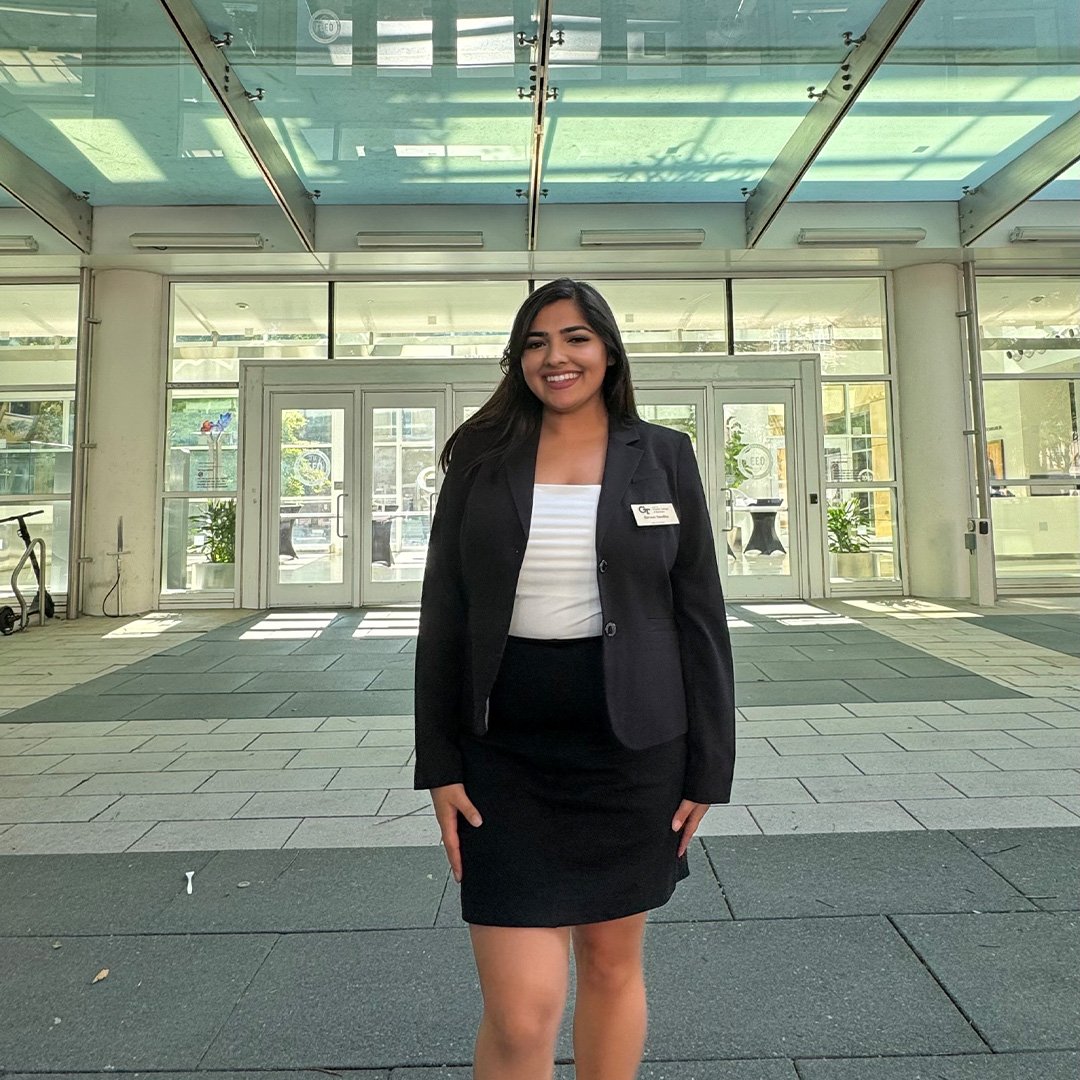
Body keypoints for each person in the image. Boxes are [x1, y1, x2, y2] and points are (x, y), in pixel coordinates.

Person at [414, 277, 735, 1079]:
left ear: (609, 350)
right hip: (504, 756)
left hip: (633, 751)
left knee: (609, 965)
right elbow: (443, 616)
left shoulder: (662, 454)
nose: (555, 357)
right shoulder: (480, 459)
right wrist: (440, 764)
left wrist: (710, 767)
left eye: (575, 338)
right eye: (535, 342)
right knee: (523, 1015)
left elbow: (698, 612)